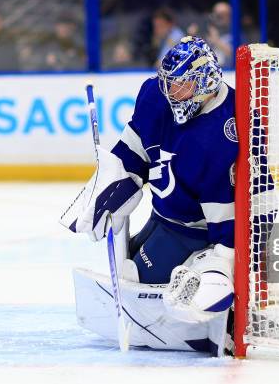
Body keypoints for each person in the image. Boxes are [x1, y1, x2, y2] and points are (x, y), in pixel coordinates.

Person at [64, 37, 237, 324]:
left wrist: (220, 261)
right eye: (169, 82)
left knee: (141, 281)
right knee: (127, 266)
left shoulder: (220, 136)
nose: (171, 91)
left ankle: (202, 263)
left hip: (196, 229)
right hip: (163, 214)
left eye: (182, 84)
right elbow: (134, 151)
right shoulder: (155, 96)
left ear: (205, 81)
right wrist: (113, 184)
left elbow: (227, 217)